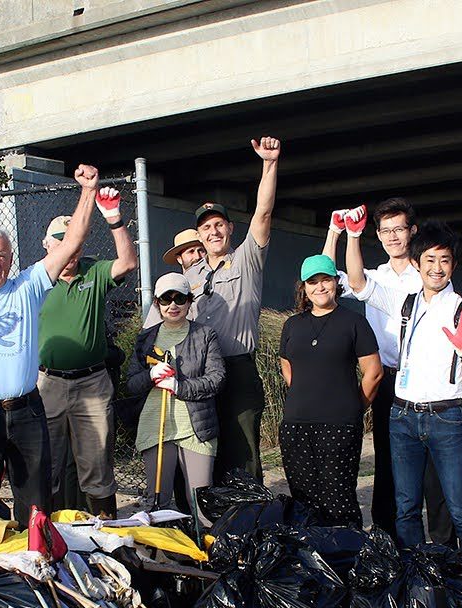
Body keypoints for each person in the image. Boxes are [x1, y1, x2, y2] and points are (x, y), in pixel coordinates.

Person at [0, 164, 100, 525]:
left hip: (27, 411)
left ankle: (34, 566)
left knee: (36, 499)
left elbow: (71, 242)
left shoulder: (28, 287)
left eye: (1, 256)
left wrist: (88, 191)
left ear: (12, 258)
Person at [342, 219, 462, 550]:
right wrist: (352, 234)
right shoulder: (405, 303)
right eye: (430, 260)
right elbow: (358, 283)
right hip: (403, 417)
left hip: (446, 418)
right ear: (418, 262)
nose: (437, 269)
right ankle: (415, 578)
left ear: (453, 264)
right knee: (405, 510)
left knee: (460, 508)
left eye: (445, 260)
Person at [324, 200, 458, 543]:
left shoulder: (430, 273)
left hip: (427, 380)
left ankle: (444, 547)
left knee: (433, 473)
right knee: (387, 463)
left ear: (412, 231)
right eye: (385, 231)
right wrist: (339, 231)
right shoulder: (374, 276)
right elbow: (326, 274)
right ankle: (388, 544)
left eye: (399, 228)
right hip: (385, 377)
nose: (393, 237)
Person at [36, 187, 138, 518]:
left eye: (75, 244)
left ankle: (106, 534)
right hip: (47, 384)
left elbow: (127, 262)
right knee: (46, 464)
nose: (71, 251)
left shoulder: (93, 272)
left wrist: (114, 218)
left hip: (92, 384)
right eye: (63, 244)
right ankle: (46, 537)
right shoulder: (35, 281)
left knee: (97, 466)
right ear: (48, 247)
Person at [185, 137, 281, 480]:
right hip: (201, 375)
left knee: (244, 452)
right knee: (208, 450)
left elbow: (264, 213)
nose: (214, 231)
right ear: (199, 235)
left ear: (230, 229)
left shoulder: (246, 260)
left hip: (238, 370)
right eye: (207, 227)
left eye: (219, 225)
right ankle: (216, 526)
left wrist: (269, 164)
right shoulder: (190, 276)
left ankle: (251, 523)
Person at [277, 254, 382, 525]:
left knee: (339, 500)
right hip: (296, 425)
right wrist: (306, 392)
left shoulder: (354, 322)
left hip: (340, 425)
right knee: (303, 501)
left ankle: (347, 559)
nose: (320, 287)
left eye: (326, 280)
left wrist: (353, 406)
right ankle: (312, 561)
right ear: (304, 287)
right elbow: (286, 366)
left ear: (336, 282)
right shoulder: (292, 325)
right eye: (313, 282)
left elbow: (374, 372)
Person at [127, 273, 225, 519]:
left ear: (190, 302)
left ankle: (204, 553)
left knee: (200, 502)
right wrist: (150, 375)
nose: (173, 305)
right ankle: (161, 553)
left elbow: (217, 379)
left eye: (180, 298)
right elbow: (131, 385)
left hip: (195, 428)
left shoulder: (205, 335)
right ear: (157, 303)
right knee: (157, 501)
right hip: (156, 427)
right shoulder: (145, 338)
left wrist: (180, 387)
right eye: (166, 299)